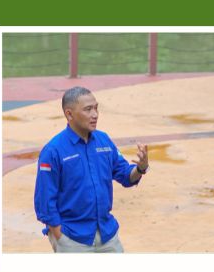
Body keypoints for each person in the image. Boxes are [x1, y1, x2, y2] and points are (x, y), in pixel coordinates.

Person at [34, 86, 149, 253]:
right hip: (72, 238)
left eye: (96, 108)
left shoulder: (103, 141)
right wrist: (60, 236)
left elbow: (125, 175)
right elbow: (44, 201)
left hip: (107, 235)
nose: (95, 114)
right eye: (88, 109)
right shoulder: (53, 151)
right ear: (69, 114)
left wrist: (140, 168)